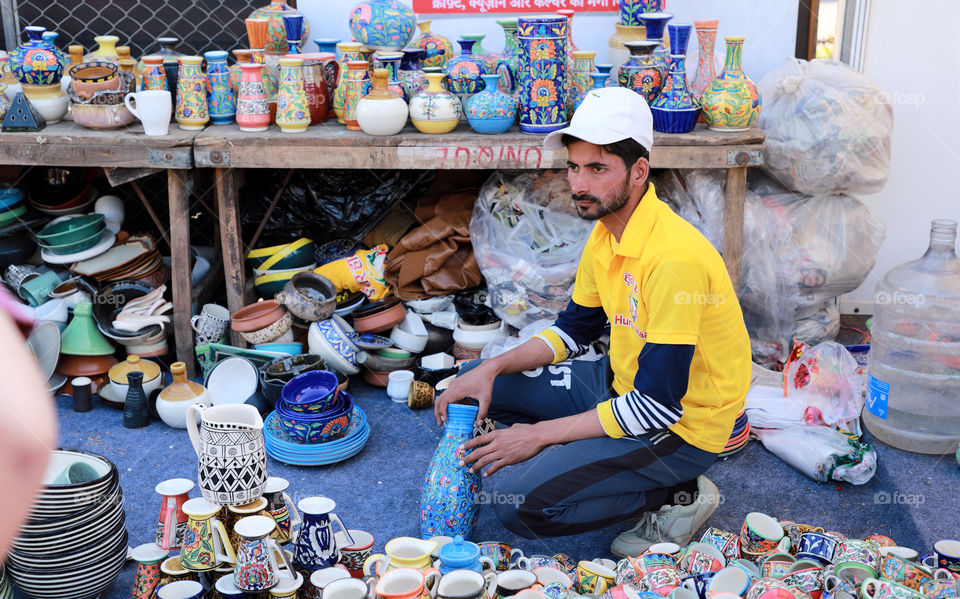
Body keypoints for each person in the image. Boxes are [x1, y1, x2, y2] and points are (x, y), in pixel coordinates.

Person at [434, 87, 752, 557]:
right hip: (620, 384)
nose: (579, 184)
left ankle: (678, 495)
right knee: (464, 387)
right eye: (574, 166)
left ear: (639, 172)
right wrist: (490, 368)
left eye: (597, 169)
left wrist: (538, 436)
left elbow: (658, 407)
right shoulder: (606, 234)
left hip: (681, 426)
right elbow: (573, 331)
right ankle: (569, 459)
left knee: (517, 504)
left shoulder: (673, 259)